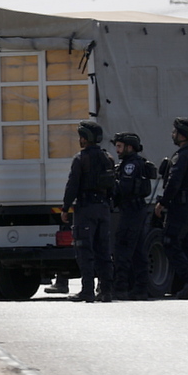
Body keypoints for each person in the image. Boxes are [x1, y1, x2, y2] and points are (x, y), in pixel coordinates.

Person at [60, 120, 115, 303]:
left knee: (84, 250)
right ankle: (106, 290)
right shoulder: (108, 158)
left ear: (86, 138)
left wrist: (65, 207)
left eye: (81, 137)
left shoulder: (81, 158)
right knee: (104, 251)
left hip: (86, 209)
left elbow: (72, 185)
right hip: (103, 209)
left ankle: (87, 291)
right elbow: (113, 186)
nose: (80, 140)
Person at [154, 117, 188, 300]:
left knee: (170, 243)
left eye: (175, 131)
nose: (173, 134)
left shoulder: (181, 156)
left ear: (183, 135)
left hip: (181, 207)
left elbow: (173, 182)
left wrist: (163, 202)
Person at [111, 131, 152, 300]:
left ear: (129, 147)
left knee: (123, 249)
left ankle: (121, 288)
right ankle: (140, 288)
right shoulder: (131, 163)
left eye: (120, 147)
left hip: (131, 210)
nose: (117, 150)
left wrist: (110, 183)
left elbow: (124, 188)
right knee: (137, 251)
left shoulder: (131, 165)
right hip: (135, 210)